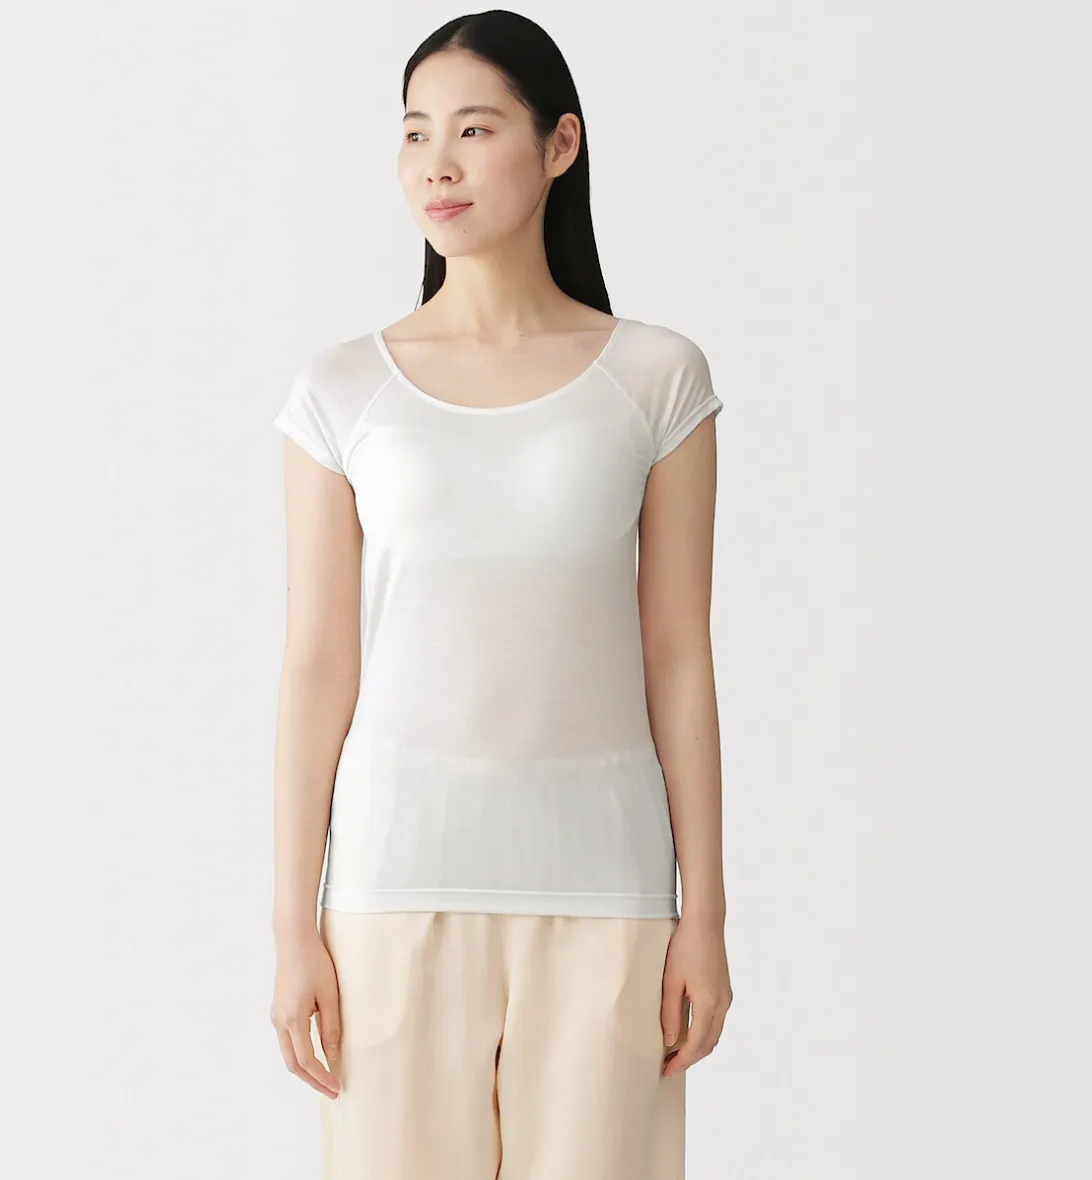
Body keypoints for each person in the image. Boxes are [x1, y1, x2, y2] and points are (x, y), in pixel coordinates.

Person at [269, 10, 732, 1179]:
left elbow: (678, 654)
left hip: (608, 888)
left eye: (474, 130)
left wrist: (705, 914)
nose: (438, 163)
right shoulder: (341, 390)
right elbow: (318, 666)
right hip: (390, 887)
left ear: (559, 145)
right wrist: (291, 927)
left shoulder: (656, 377)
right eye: (415, 132)